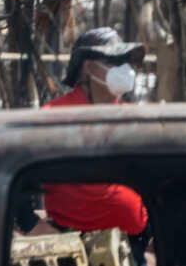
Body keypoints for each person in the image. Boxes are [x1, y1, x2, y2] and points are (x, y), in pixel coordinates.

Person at [36, 28, 150, 238]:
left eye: (125, 61)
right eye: (113, 61)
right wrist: (31, 223)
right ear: (88, 67)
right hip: (75, 249)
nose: (124, 68)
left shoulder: (133, 117)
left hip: (133, 246)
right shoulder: (55, 116)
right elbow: (12, 174)